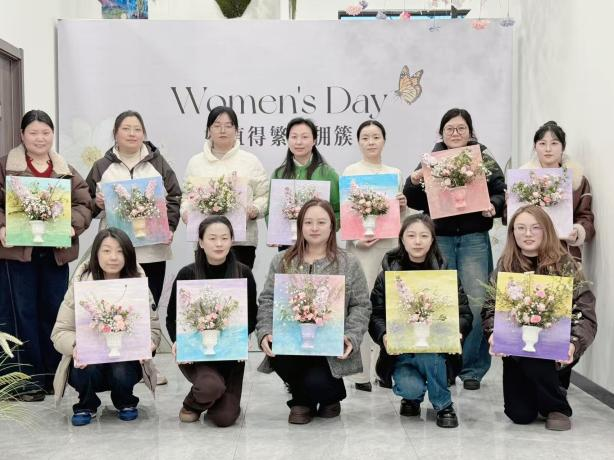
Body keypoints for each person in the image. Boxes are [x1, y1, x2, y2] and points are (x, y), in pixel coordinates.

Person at [403, 108, 506, 390]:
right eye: (450, 129)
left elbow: (500, 190)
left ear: (471, 132)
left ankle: (472, 369)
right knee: (441, 302)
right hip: (441, 239)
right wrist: (413, 180)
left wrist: (494, 205)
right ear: (441, 133)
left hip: (474, 238)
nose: (456, 133)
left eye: (461, 128)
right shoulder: (431, 159)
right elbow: (413, 199)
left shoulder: (481, 156)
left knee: (476, 301)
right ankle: (445, 366)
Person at [0, 110, 92, 401]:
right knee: (20, 314)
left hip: (55, 254)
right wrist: (2, 225)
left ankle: (53, 376)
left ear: (52, 135)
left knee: (54, 311)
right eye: (33, 133)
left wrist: (73, 224)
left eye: (45, 133)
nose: (40, 138)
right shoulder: (6, 167)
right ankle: (23, 380)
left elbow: (84, 203)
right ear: (22, 136)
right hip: (17, 256)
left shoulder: (65, 169)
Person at [256, 199, 371, 424]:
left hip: (329, 347)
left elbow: (361, 305)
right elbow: (268, 299)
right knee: (279, 352)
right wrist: (265, 331)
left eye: (321, 222)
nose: (314, 228)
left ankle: (315, 397)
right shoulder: (282, 260)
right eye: (308, 222)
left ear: (332, 226)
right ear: (300, 225)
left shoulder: (349, 262)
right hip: (291, 346)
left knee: (318, 383)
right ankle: (303, 400)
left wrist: (351, 336)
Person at [482, 205, 596, 431]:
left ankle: (557, 406)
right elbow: (489, 309)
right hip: (516, 354)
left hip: (554, 354)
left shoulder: (565, 265)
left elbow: (586, 313)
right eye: (520, 228)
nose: (528, 234)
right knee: (520, 415)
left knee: (538, 351)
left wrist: (574, 344)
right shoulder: (505, 266)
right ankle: (549, 392)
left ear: (547, 230)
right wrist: (493, 333)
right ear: (512, 232)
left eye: (535, 228)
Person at [369, 214, 472, 428]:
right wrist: (383, 335)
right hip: (400, 352)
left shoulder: (445, 274)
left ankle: (443, 405)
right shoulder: (387, 275)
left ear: (432, 240)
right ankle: (412, 397)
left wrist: (457, 330)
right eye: (411, 235)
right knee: (410, 387)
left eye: (424, 236)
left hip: (436, 351)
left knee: (429, 355)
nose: (418, 241)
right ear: (402, 239)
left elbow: (465, 314)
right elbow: (375, 314)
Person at [51, 228, 161, 426]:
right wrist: (75, 346)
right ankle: (86, 404)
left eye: (120, 251)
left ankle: (125, 400)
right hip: (89, 364)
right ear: (96, 254)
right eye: (107, 251)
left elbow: (153, 329)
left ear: (128, 255)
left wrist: (150, 344)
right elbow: (60, 332)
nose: (113, 257)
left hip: (125, 361)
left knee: (121, 369)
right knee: (84, 363)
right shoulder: (79, 285)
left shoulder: (138, 284)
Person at [166, 216, 257, 427]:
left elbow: (252, 315)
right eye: (212, 238)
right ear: (200, 242)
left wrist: (242, 335)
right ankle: (192, 403)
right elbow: (172, 317)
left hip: (231, 357)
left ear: (232, 240)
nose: (219, 244)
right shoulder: (187, 274)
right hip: (198, 355)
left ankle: (215, 396)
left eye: (224, 238)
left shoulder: (243, 273)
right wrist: (178, 341)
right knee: (210, 387)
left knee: (224, 418)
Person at [85, 110, 181, 309]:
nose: (132, 134)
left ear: (143, 134)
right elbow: (85, 203)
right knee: (115, 307)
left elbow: (174, 195)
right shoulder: (101, 166)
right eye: (126, 129)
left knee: (148, 306)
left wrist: (170, 227)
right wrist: (97, 204)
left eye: (137, 129)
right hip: (114, 253)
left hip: (152, 251)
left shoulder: (158, 163)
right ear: (115, 133)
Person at [342, 120, 408, 392]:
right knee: (362, 306)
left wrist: (402, 206)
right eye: (365, 137)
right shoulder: (351, 172)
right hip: (362, 249)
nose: (371, 142)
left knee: (389, 307)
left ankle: (386, 370)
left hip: (389, 247)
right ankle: (360, 375)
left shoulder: (394, 173)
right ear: (359, 142)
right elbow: (347, 215)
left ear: (384, 140)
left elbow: (399, 217)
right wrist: (357, 239)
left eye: (376, 137)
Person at [180, 106, 269, 269]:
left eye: (228, 126)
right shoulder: (196, 163)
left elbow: (264, 195)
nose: (223, 130)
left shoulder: (250, 161)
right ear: (209, 130)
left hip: (242, 242)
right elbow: (187, 196)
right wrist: (185, 213)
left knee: (240, 281)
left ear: (236, 130)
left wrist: (255, 209)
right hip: (206, 241)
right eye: (217, 125)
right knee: (207, 282)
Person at [519, 121, 595, 263]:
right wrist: (509, 202)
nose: (548, 149)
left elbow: (586, 217)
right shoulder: (522, 179)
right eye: (542, 143)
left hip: (564, 253)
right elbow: (510, 218)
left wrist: (577, 231)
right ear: (535, 147)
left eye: (554, 143)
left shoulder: (577, 180)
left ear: (563, 147)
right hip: (528, 254)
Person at [268, 118, 340, 229]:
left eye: (305, 137)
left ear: (314, 140)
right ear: (287, 140)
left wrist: (326, 228)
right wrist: (276, 231)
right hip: (287, 238)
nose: (298, 142)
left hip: (319, 237)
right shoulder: (279, 174)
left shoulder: (327, 173)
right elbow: (270, 212)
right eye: (294, 137)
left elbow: (339, 211)